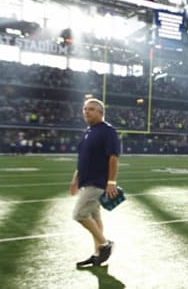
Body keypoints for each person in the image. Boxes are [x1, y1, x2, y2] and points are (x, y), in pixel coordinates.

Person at [69, 98, 120, 268]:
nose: (86, 112)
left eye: (91, 109)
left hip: (97, 182)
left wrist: (111, 181)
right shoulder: (88, 131)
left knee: (79, 214)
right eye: (85, 109)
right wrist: (75, 179)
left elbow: (113, 157)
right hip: (86, 181)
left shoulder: (108, 131)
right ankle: (97, 254)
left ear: (100, 112)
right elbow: (82, 159)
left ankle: (105, 244)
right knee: (94, 218)